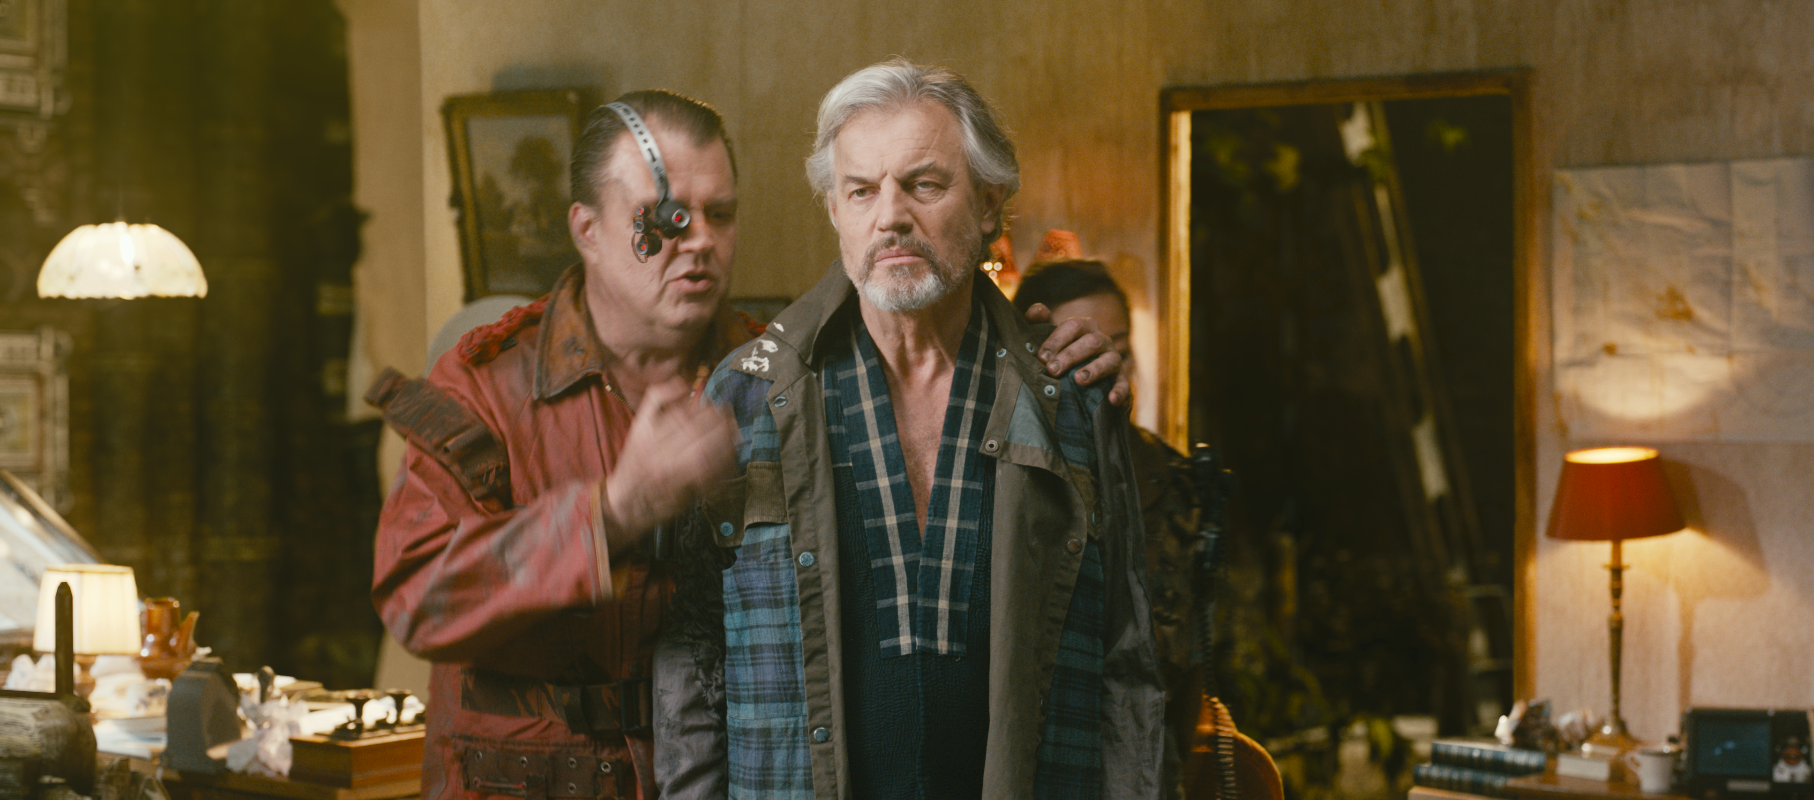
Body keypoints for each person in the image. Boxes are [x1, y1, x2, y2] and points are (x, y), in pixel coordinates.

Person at [368, 89, 1125, 800]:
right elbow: (416, 598)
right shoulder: (492, 382)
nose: (698, 240)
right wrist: (611, 513)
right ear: (588, 230)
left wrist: (1052, 355)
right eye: (665, 219)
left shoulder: (775, 375)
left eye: (720, 214)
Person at [657, 59, 1163, 800]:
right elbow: (692, 663)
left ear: (988, 204)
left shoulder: (1070, 401)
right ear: (836, 211)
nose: (890, 216)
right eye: (862, 190)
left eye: (924, 185)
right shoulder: (748, 398)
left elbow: (1128, 664)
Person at [1014, 259, 1203, 794]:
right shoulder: (1014, 478)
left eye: (1117, 348)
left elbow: (1190, 678)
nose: (1106, 367)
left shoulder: (1175, 485)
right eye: (1083, 351)